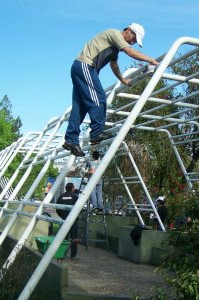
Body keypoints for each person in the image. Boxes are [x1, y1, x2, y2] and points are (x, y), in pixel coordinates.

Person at [63, 23, 160, 156]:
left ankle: (71, 140)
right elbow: (130, 52)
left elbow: (113, 65)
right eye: (134, 39)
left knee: (80, 107)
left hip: (80, 67)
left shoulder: (114, 47)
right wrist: (151, 60)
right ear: (129, 30)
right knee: (99, 99)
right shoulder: (114, 34)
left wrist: (122, 80)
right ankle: (96, 133)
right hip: (85, 66)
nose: (133, 42)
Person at [56, 182, 79, 260]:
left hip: (64, 220)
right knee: (74, 239)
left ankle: (62, 255)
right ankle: (73, 256)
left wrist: (62, 216)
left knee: (63, 239)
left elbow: (57, 208)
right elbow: (79, 208)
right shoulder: (75, 197)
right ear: (72, 188)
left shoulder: (61, 196)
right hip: (73, 221)